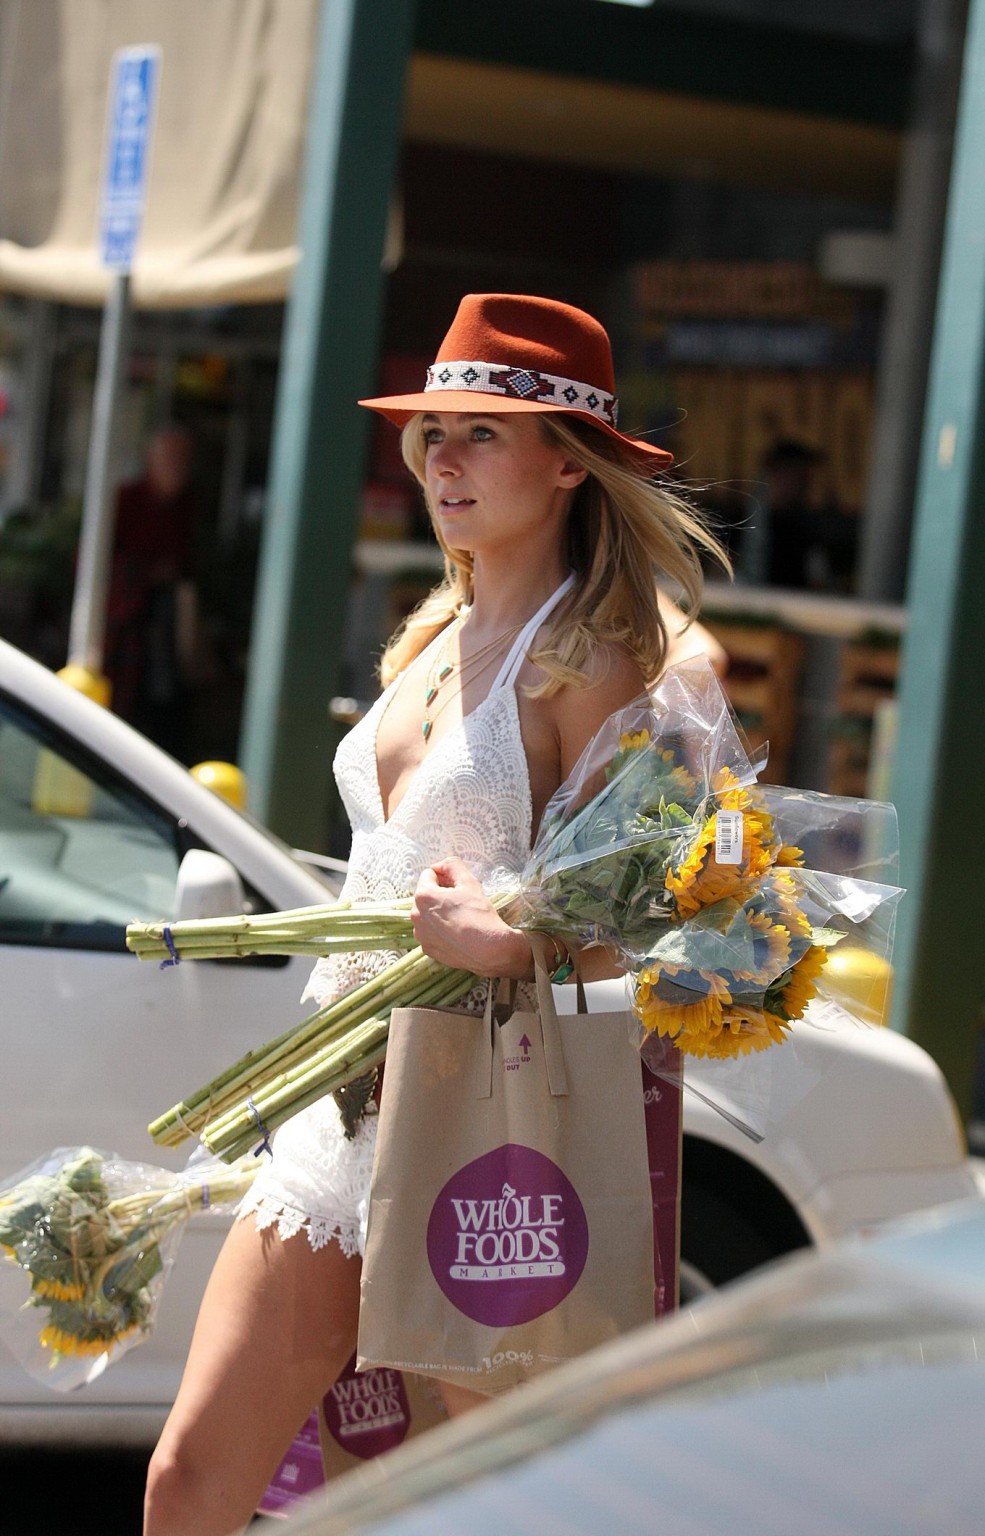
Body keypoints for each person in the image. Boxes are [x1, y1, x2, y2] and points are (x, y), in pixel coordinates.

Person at [144, 293, 728, 1536]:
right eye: (430, 436)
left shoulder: (601, 659)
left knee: (479, 1500)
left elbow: (633, 911)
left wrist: (514, 942)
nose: (440, 462)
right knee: (191, 1474)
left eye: (477, 433)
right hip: (340, 1106)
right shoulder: (435, 627)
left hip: (482, 1108)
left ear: (567, 464)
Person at [105, 425, 202, 758]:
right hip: (129, 623)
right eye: (170, 458)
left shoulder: (187, 507)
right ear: (150, 460)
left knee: (167, 703)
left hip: (168, 623)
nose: (177, 467)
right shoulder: (126, 500)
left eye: (183, 460)